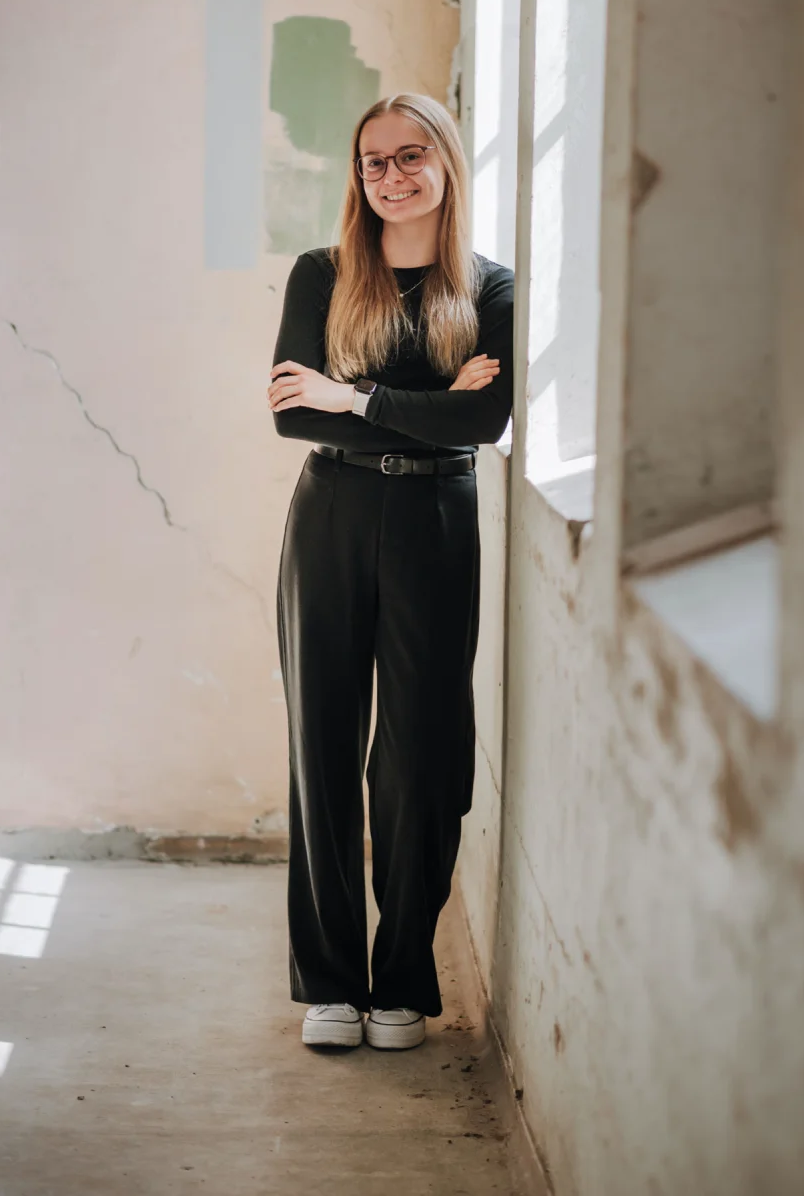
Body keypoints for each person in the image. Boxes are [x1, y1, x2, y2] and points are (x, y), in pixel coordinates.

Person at [267, 92, 514, 1051]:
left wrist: (355, 392)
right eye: (373, 162)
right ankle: (331, 981)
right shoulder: (322, 275)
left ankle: (403, 977)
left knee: (421, 755)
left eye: (412, 156)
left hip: (435, 518)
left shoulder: (488, 288)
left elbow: (480, 425)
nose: (392, 176)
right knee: (321, 744)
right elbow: (293, 413)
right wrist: (419, 398)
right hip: (329, 512)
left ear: (447, 163)